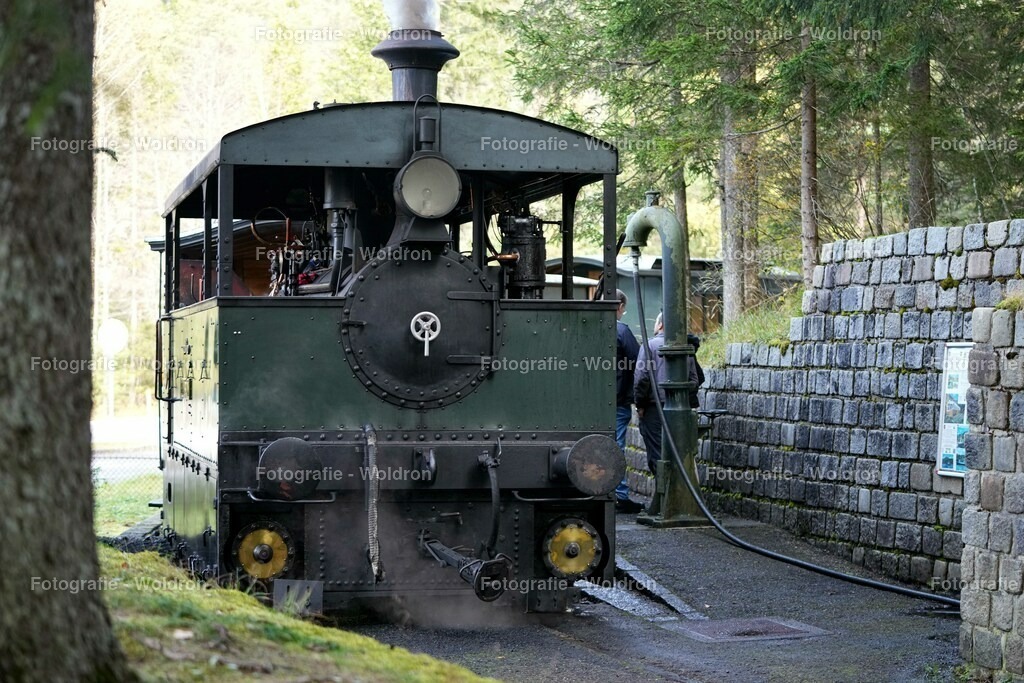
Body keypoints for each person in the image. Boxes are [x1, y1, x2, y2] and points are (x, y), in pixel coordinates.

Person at [634, 315, 704, 475]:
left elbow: (641, 378)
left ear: (660, 325)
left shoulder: (649, 345)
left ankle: (664, 491)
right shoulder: (687, 347)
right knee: (679, 452)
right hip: (682, 408)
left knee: (657, 453)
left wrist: (640, 404)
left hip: (654, 408)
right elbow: (695, 379)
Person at [614, 289, 641, 513]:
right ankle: (620, 494)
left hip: (592, 403)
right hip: (618, 401)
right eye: (623, 308)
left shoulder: (589, 327)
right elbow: (639, 363)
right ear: (619, 306)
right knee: (617, 447)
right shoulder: (622, 331)